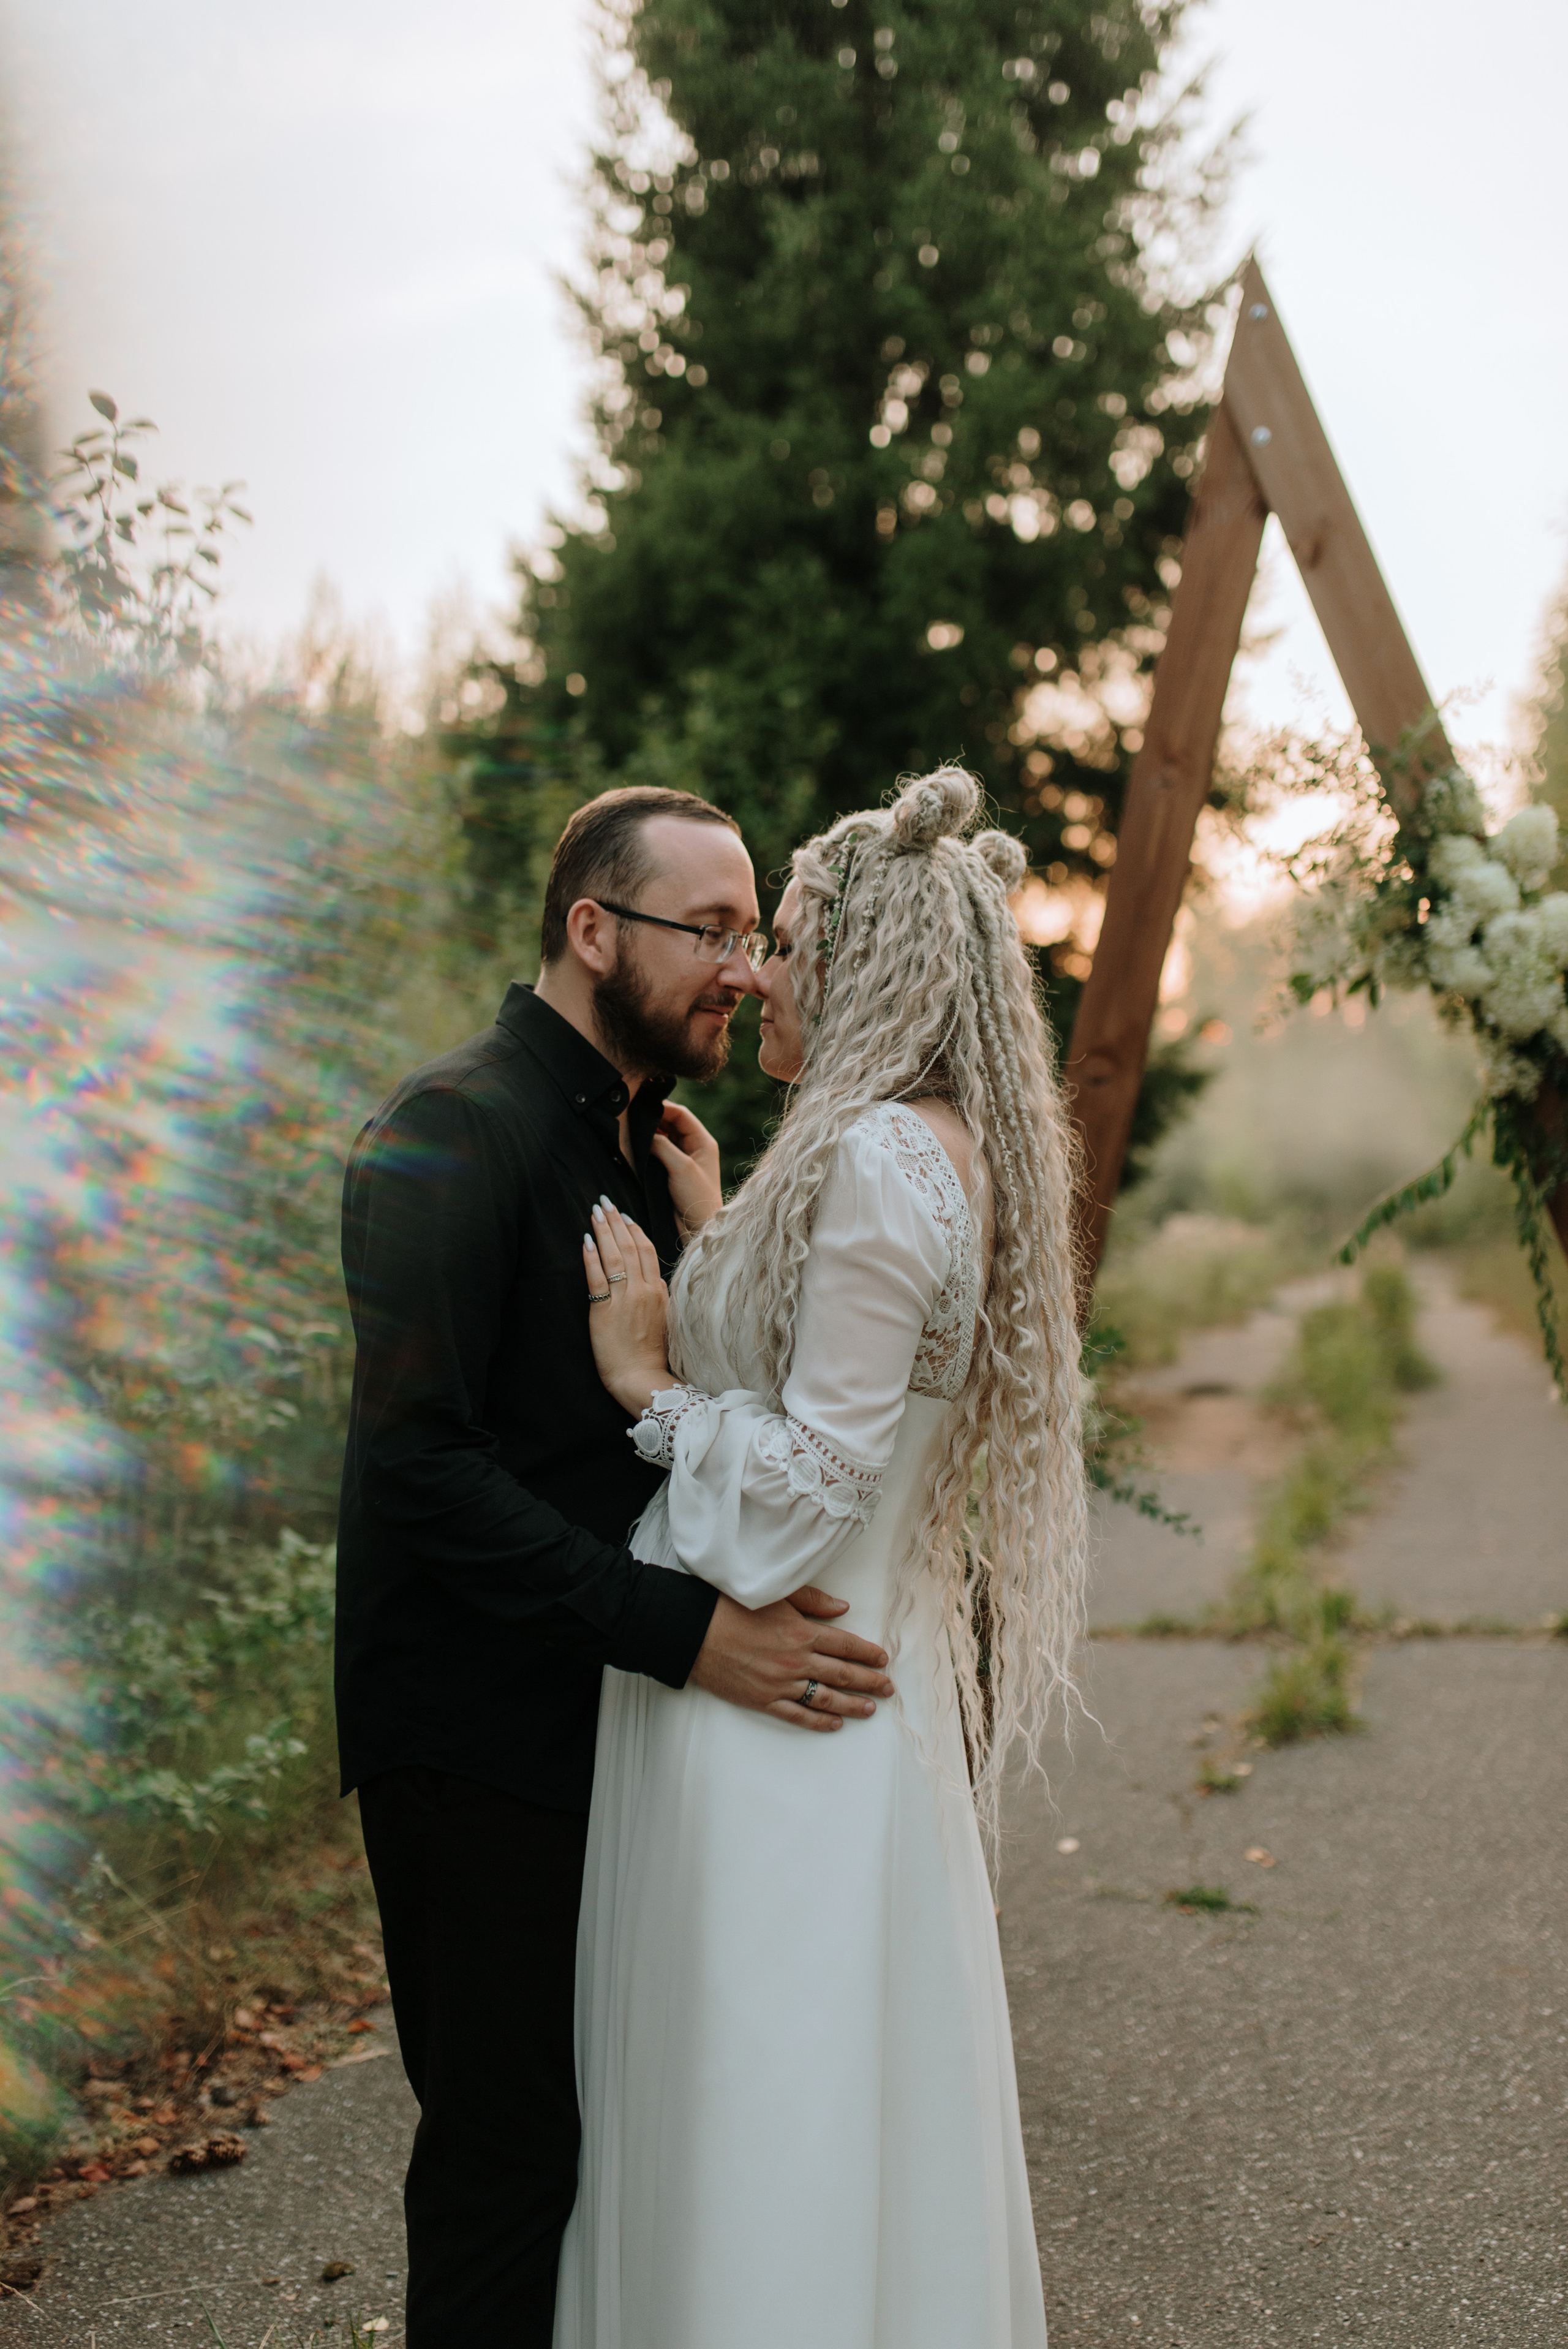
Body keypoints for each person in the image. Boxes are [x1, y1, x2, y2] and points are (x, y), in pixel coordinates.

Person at [334, 785, 895, 2346]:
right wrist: (689, 1635)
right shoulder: (454, 1128)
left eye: (748, 933)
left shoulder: (650, 1142)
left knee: (619, 2148)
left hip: (612, 1729)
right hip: (477, 1736)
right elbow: (419, 1471)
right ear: (592, 931)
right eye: (709, 931)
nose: (742, 967)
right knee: (508, 2167)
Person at [558, 766, 1089, 2349]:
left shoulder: (872, 1161)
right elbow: (843, 1397)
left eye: (785, 941)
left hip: (792, 1715)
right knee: (839, 2105)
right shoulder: (924, 1147)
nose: (756, 973)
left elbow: (803, 1487)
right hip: (869, 1694)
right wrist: (721, 1238)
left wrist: (651, 1385)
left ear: (864, 965)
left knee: (765, 2109)